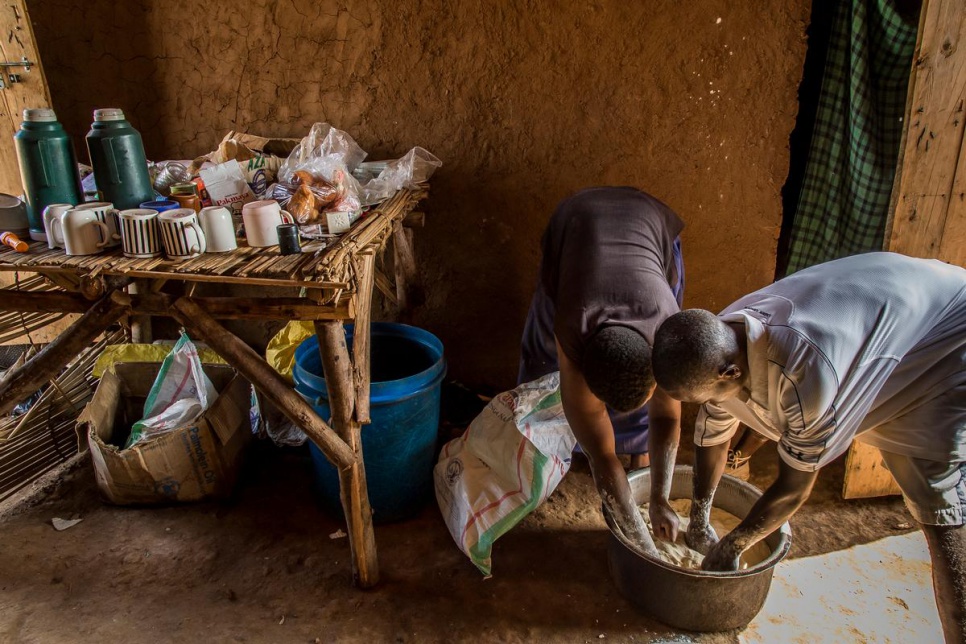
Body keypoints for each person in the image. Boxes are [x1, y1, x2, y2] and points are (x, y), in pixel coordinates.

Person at [651, 252, 966, 642]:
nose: (705, 404)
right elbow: (715, 430)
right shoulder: (723, 334)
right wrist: (699, 517)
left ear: (730, 372)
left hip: (946, 334)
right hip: (882, 311)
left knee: (935, 494)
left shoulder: (806, 377)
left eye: (703, 397)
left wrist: (733, 544)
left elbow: (794, 488)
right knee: (785, 414)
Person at [518, 186, 686, 551]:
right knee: (541, 359)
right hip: (575, 223)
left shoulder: (669, 333)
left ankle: (643, 464)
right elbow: (602, 455)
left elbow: (667, 418)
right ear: (587, 380)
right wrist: (641, 540)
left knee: (654, 423)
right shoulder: (572, 328)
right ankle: (547, 453)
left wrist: (661, 500)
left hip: (649, 220)